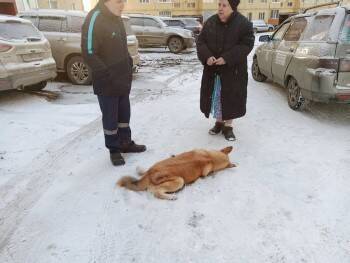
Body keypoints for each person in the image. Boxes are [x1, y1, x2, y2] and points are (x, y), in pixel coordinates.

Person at [81, 0, 146, 166]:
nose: (122, 4)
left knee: (124, 115)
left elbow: (120, 46)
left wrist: (129, 62)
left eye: (124, 1)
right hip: (107, 82)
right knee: (111, 118)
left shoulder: (117, 18)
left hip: (122, 78)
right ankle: (114, 149)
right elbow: (88, 52)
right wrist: (106, 74)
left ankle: (125, 143)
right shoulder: (94, 18)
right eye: (119, 1)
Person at [196, 0, 254, 141]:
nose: (220, 8)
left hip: (233, 71)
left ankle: (228, 126)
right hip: (214, 71)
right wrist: (207, 56)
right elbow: (201, 41)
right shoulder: (211, 22)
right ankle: (219, 122)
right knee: (217, 96)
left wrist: (226, 58)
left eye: (224, 5)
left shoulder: (243, 23)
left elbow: (247, 44)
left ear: (232, 7)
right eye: (219, 5)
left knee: (230, 97)